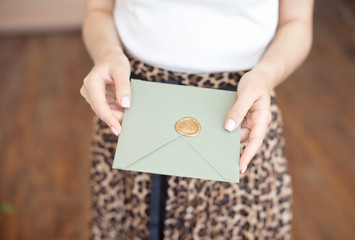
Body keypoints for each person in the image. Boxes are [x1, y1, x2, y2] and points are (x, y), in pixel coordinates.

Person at [80, 0, 314, 239]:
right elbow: (99, 10)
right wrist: (106, 54)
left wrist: (267, 74)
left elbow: (296, 21)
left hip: (242, 110)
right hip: (131, 103)